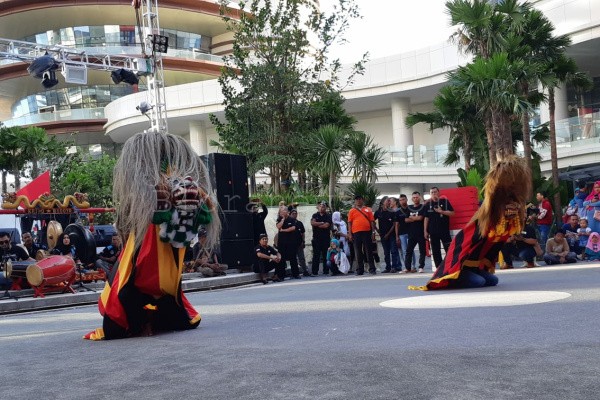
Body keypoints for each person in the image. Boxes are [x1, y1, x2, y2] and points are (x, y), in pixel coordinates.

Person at [84, 131, 220, 341]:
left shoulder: (179, 180)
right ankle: (142, 316)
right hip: (145, 246)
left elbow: (200, 209)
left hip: (166, 250)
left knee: (176, 308)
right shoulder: (145, 191)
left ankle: (154, 315)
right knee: (124, 304)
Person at [410, 155, 531, 290]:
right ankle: (454, 277)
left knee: (492, 280)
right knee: (479, 282)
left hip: (473, 263)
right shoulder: (486, 218)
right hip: (460, 263)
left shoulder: (445, 202)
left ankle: (471, 273)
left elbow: (501, 235)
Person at [424, 186, 455, 272]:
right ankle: (439, 269)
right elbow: (426, 218)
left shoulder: (444, 202)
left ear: (439, 193)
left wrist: (442, 212)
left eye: (435, 192)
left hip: (444, 231)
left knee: (449, 249)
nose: (434, 194)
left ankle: (450, 266)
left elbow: (452, 213)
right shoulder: (427, 205)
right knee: (435, 251)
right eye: (432, 192)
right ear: (430, 194)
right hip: (433, 232)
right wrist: (425, 231)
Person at [347, 194, 378, 275]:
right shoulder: (351, 211)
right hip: (356, 233)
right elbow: (349, 223)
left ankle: (372, 269)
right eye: (357, 199)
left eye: (360, 199)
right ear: (355, 201)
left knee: (368, 251)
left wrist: (373, 232)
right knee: (358, 252)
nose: (358, 201)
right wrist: (350, 234)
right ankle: (359, 270)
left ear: (362, 200)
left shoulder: (368, 209)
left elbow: (372, 221)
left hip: (367, 232)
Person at [375, 197, 400, 273]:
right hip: (382, 235)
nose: (389, 202)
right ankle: (388, 267)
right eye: (387, 201)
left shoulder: (392, 211)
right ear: (383, 202)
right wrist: (376, 230)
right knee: (386, 252)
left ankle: (394, 267)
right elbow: (372, 221)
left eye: (390, 201)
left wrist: (389, 234)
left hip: (391, 234)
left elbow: (394, 224)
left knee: (393, 251)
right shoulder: (378, 212)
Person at [404, 191, 426, 273]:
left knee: (422, 251)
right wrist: (415, 218)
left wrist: (411, 217)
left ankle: (421, 267)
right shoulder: (409, 208)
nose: (415, 199)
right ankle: (407, 268)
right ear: (412, 199)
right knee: (409, 250)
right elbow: (406, 220)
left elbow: (421, 218)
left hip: (421, 232)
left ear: (419, 198)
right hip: (411, 233)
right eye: (414, 197)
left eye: (417, 197)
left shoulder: (423, 207)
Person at [276, 208, 301, 279]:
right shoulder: (279, 219)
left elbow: (293, 228)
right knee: (282, 259)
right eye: (281, 211)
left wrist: (283, 230)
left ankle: (296, 274)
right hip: (281, 243)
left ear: (287, 212)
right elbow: (278, 226)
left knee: (293, 258)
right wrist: (282, 220)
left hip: (291, 242)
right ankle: (281, 276)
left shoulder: (291, 219)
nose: (282, 212)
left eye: (284, 211)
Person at [310, 201, 332, 276]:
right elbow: (313, 223)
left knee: (326, 255)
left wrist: (318, 224)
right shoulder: (315, 215)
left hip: (325, 239)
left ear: (325, 208)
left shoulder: (328, 216)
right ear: (318, 207)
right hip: (316, 238)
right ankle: (314, 272)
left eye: (323, 206)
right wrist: (322, 223)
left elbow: (326, 225)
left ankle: (326, 271)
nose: (322, 207)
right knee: (316, 255)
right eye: (320, 206)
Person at [395, 194, 415, 272]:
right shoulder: (397, 212)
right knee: (404, 251)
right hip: (402, 233)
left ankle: (413, 266)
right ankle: (406, 267)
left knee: (411, 250)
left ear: (406, 199)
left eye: (403, 199)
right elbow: (396, 224)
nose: (402, 201)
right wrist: (397, 236)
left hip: (411, 232)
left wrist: (410, 219)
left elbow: (414, 219)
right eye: (400, 200)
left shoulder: (411, 208)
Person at [289, 209, 311, 277]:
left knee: (301, 258)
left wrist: (303, 241)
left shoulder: (299, 223)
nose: (294, 214)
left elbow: (303, 233)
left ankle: (305, 271)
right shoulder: (288, 222)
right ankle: (295, 272)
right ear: (290, 214)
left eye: (296, 213)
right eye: (293, 213)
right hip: (291, 244)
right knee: (293, 259)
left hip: (299, 243)